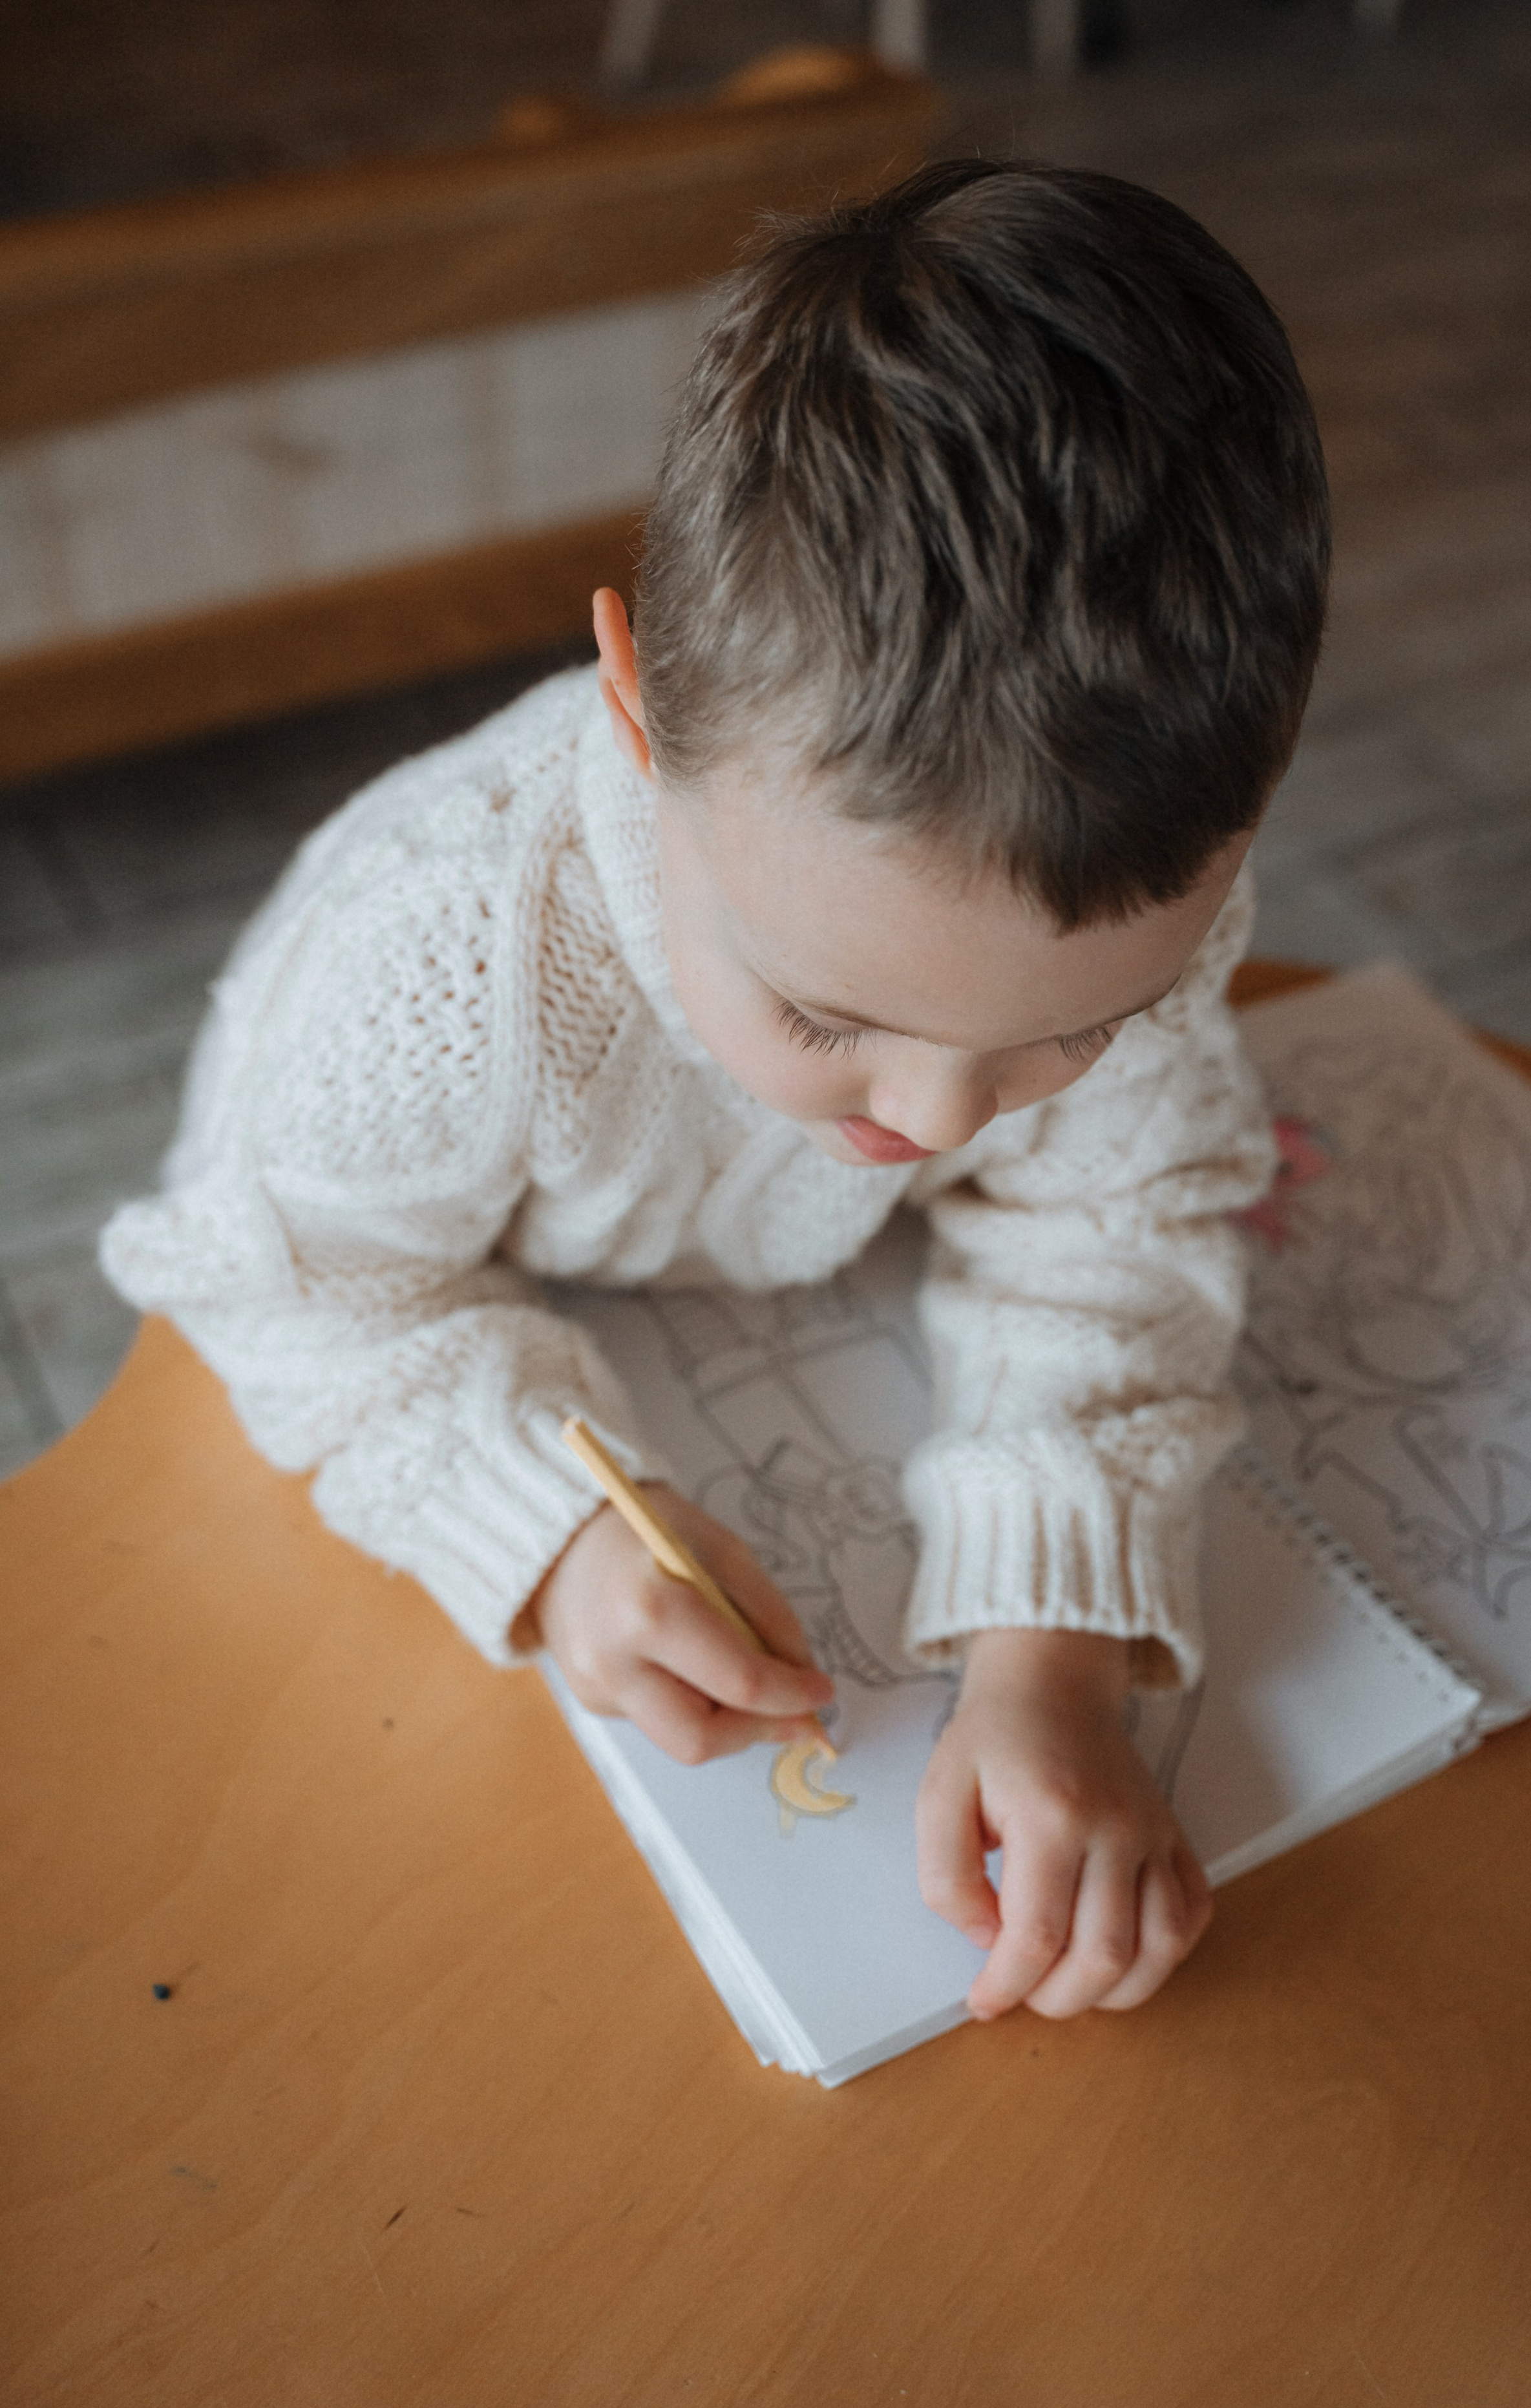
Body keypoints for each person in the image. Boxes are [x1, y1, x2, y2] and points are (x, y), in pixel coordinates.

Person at [101, 159, 1329, 2025]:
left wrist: (1051, 1646)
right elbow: (280, 1278)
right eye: (828, 1011)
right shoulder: (433, 959)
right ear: (639, 711)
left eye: (1064, 1037)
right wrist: (553, 1528)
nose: (931, 1121)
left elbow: (1126, 1214)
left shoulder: (1134, 908)